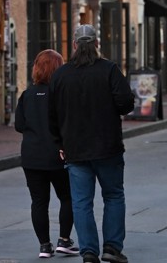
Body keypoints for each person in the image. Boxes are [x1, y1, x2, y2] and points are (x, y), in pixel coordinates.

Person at [48, 24, 135, 263]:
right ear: (97, 44)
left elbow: (51, 115)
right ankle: (112, 248)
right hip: (108, 147)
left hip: (75, 149)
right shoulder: (109, 70)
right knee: (114, 196)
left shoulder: (61, 75)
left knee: (82, 202)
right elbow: (126, 103)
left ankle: (88, 251)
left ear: (74, 46)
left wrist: (60, 143)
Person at [14, 49, 79, 258]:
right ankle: (64, 239)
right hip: (57, 155)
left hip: (32, 156)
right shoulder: (60, 94)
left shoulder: (26, 95)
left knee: (39, 201)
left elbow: (19, 125)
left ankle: (44, 245)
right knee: (67, 197)